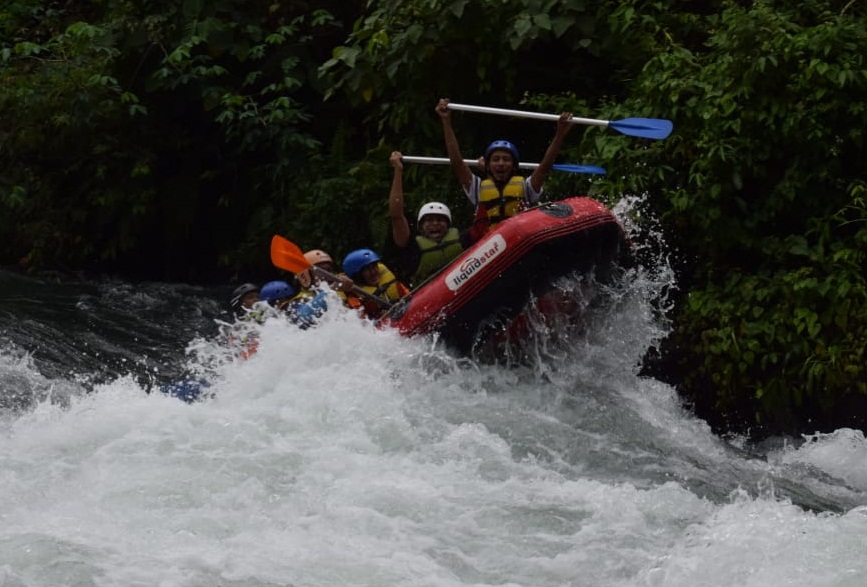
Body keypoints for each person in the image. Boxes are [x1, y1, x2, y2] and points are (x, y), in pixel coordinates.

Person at [435, 97, 574, 237]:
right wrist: (446, 121)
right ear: (488, 165)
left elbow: (545, 166)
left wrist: (560, 133)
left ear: (514, 166)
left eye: (506, 159)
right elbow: (457, 162)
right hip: (491, 246)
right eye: (496, 159)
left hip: (519, 241)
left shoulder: (526, 187)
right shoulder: (477, 188)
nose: (501, 163)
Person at [388, 151, 471, 287]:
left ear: (448, 224)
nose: (435, 224)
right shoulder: (412, 247)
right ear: (421, 226)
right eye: (429, 220)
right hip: (429, 296)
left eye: (440, 220)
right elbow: (396, 215)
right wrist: (398, 170)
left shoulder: (463, 239)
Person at [341, 248, 409, 320]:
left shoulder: (393, 284)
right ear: (357, 276)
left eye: (374, 267)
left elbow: (409, 297)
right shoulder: (354, 299)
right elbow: (363, 324)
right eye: (367, 269)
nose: (373, 272)